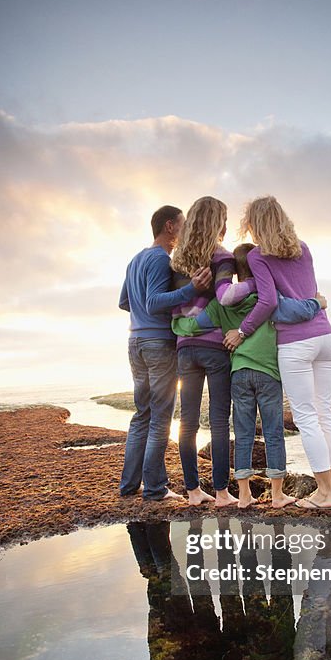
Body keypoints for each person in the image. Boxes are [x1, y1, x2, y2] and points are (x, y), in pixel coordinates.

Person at [172, 243, 326, 509]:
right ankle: (277, 495)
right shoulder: (268, 297)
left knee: (242, 434)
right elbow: (295, 311)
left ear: (233, 274)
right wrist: (318, 303)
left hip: (239, 374)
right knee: (273, 432)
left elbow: (194, 325)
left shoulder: (221, 305)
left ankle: (244, 495)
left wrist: (177, 324)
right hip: (268, 374)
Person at [224, 196, 331, 510]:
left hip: (295, 343)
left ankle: (326, 493)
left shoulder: (260, 257)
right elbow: (308, 297)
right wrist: (315, 304)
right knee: (325, 412)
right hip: (326, 337)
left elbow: (270, 303)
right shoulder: (304, 247)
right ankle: (328, 490)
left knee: (306, 417)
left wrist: (243, 330)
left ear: (255, 225)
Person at [118, 205, 211, 500]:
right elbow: (154, 302)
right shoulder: (160, 259)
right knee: (160, 417)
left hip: (135, 343)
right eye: (182, 225)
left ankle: (129, 486)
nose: (185, 230)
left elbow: (124, 302)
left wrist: (142, 315)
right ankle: (156, 489)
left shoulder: (136, 259)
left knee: (142, 415)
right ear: (170, 226)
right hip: (158, 344)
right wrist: (192, 289)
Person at [170, 196, 250, 507]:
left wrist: (185, 326)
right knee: (219, 419)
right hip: (215, 347)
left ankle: (192, 492)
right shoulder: (223, 257)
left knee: (187, 421)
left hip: (185, 349)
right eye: (224, 219)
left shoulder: (176, 260)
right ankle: (221, 493)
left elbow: (174, 306)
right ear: (218, 222)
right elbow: (224, 299)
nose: (227, 225)